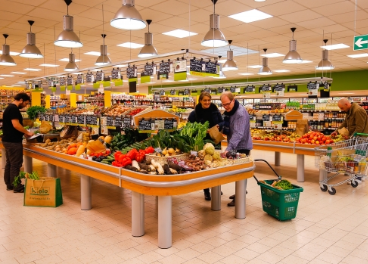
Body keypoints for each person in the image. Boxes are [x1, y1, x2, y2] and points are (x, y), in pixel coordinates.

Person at [188, 92, 223, 201]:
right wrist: (202, 130)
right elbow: (190, 128)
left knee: (216, 164)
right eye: (205, 100)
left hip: (215, 141)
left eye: (209, 100)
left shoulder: (215, 111)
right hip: (202, 143)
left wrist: (218, 126)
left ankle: (216, 186)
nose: (207, 102)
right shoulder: (194, 114)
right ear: (200, 101)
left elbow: (222, 122)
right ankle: (206, 190)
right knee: (205, 166)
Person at [220, 92, 253, 207]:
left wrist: (228, 149)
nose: (226, 107)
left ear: (233, 100)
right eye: (223, 105)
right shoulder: (230, 112)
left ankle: (240, 196)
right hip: (236, 145)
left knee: (240, 172)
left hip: (242, 147)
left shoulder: (239, 113)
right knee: (237, 171)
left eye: (227, 104)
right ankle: (240, 191)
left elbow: (238, 134)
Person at [2, 93, 34, 193]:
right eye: (25, 103)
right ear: (21, 100)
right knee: (16, 164)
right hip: (13, 141)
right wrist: (27, 132)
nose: (25, 105)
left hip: (7, 139)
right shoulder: (14, 109)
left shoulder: (9, 108)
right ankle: (17, 186)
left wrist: (23, 133)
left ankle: (9, 184)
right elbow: (16, 125)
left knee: (9, 163)